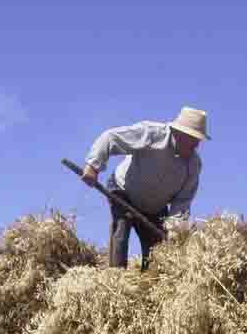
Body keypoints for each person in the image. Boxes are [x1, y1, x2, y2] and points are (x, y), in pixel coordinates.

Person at [81, 106, 209, 269]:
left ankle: (148, 285)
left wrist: (175, 230)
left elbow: (182, 202)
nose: (197, 145)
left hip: (155, 208)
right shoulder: (152, 134)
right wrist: (93, 166)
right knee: (121, 230)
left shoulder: (193, 165)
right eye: (194, 139)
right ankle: (116, 277)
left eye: (199, 140)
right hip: (124, 191)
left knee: (157, 253)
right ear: (180, 133)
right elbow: (111, 138)